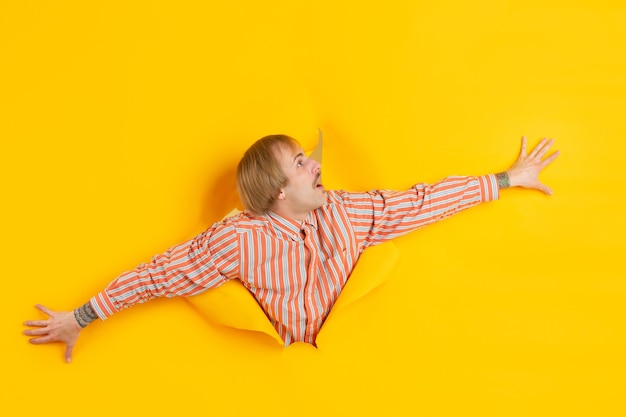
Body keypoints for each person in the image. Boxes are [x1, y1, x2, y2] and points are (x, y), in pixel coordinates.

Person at [23, 134, 559, 362]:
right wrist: (83, 316)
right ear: (279, 191)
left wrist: (507, 179)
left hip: (360, 361)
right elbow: (160, 274)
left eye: (309, 156)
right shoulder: (237, 240)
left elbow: (419, 203)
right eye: (301, 162)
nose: (316, 165)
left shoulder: (345, 211)